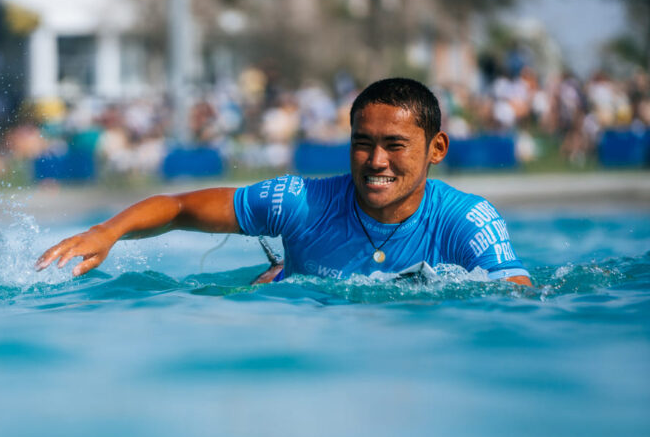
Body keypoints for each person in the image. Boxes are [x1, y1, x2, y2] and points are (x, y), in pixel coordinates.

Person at [36, 78, 532, 287]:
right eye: (363, 142)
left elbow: (517, 300)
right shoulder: (300, 201)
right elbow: (179, 207)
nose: (376, 160)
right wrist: (108, 232)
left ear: (436, 150)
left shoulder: (467, 220)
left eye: (395, 145)